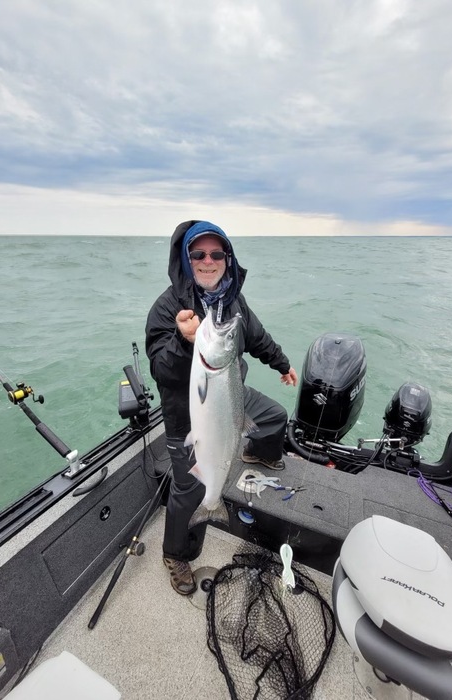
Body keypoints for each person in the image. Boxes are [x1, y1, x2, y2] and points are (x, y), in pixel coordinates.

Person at [145, 221, 298, 595]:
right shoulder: (168, 307)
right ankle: (175, 554)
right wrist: (184, 342)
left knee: (276, 417)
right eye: (198, 254)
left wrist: (283, 364)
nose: (208, 261)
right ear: (187, 259)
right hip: (189, 412)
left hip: (231, 395)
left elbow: (257, 337)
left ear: (227, 260)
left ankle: (251, 451)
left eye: (216, 254)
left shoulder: (235, 301)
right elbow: (160, 370)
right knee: (190, 490)